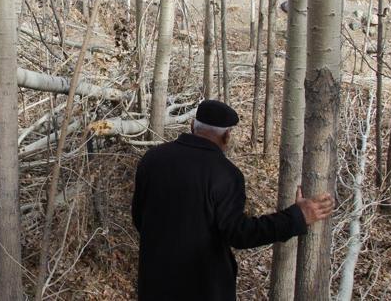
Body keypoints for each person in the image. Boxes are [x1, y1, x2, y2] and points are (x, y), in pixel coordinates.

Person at [131, 100, 334, 300]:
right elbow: (239, 234)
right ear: (227, 136)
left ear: (192, 125)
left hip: (154, 285)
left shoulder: (152, 160)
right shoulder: (226, 174)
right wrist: (297, 217)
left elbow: (140, 219)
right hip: (203, 289)